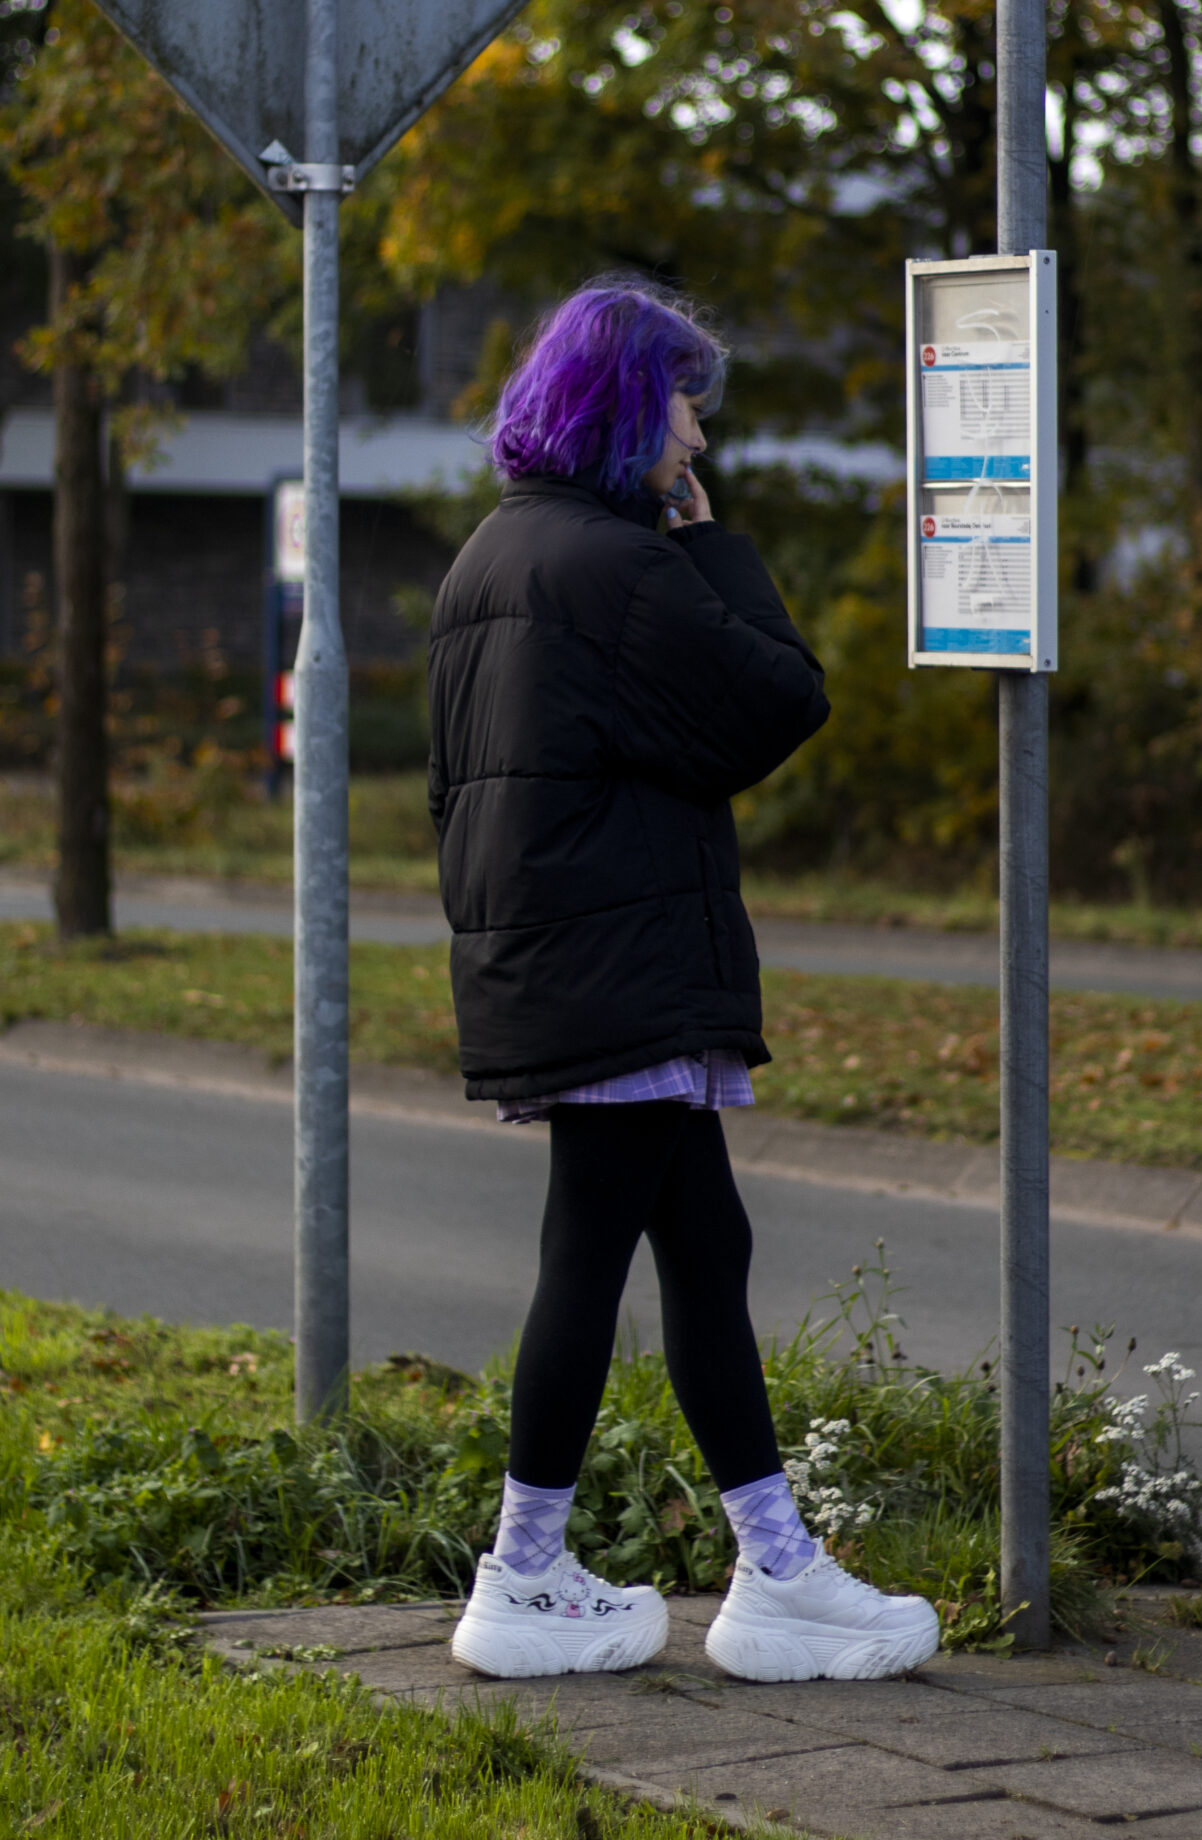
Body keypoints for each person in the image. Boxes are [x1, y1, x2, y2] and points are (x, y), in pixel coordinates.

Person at [428, 281, 939, 1683]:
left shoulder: (492, 559)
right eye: (680, 398)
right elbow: (772, 704)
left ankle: (775, 1569)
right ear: (621, 403)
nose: (696, 433)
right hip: (622, 956)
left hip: (557, 950)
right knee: (592, 1253)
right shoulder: (614, 565)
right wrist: (718, 556)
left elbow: (452, 788)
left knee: (699, 1246)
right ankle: (524, 1574)